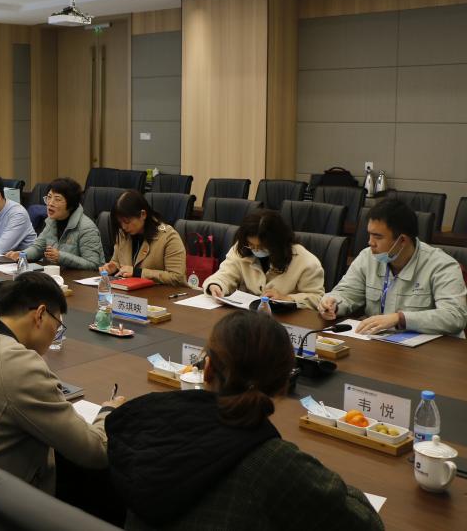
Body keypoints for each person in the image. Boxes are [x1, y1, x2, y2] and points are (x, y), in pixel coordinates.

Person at [105, 311, 383, 530]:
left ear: (207, 370)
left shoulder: (147, 419)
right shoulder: (275, 463)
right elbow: (366, 524)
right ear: (283, 384)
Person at [0, 272, 125, 529]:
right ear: (40, 314)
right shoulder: (19, 365)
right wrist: (109, 412)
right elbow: (94, 451)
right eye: (57, 326)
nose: (55, 335)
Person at [317, 198, 467, 335]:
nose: (370, 242)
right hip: (380, 343)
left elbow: (454, 316)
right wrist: (334, 303)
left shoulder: (442, 266)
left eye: (378, 236)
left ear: (402, 240)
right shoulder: (367, 257)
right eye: (370, 234)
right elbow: (348, 292)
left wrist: (400, 318)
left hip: (429, 350)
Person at [204, 210, 325, 308]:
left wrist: (287, 298)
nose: (256, 250)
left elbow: (317, 298)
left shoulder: (306, 262)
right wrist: (216, 285)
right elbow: (226, 274)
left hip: (286, 320)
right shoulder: (242, 248)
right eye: (251, 245)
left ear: (277, 242)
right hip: (247, 314)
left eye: (262, 246)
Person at [5, 177, 103, 270]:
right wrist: (22, 254)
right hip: (59, 275)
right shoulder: (51, 221)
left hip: (81, 279)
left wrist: (61, 257)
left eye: (57, 199)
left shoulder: (87, 228)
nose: (50, 203)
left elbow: (93, 264)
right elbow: (38, 248)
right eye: (49, 197)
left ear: (71, 205)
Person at [100, 190, 186, 285]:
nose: (123, 227)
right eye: (120, 223)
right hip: (128, 291)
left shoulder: (168, 237)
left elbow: (177, 277)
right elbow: (117, 261)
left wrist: (138, 273)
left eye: (127, 222)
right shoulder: (123, 234)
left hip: (161, 293)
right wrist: (113, 267)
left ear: (143, 214)